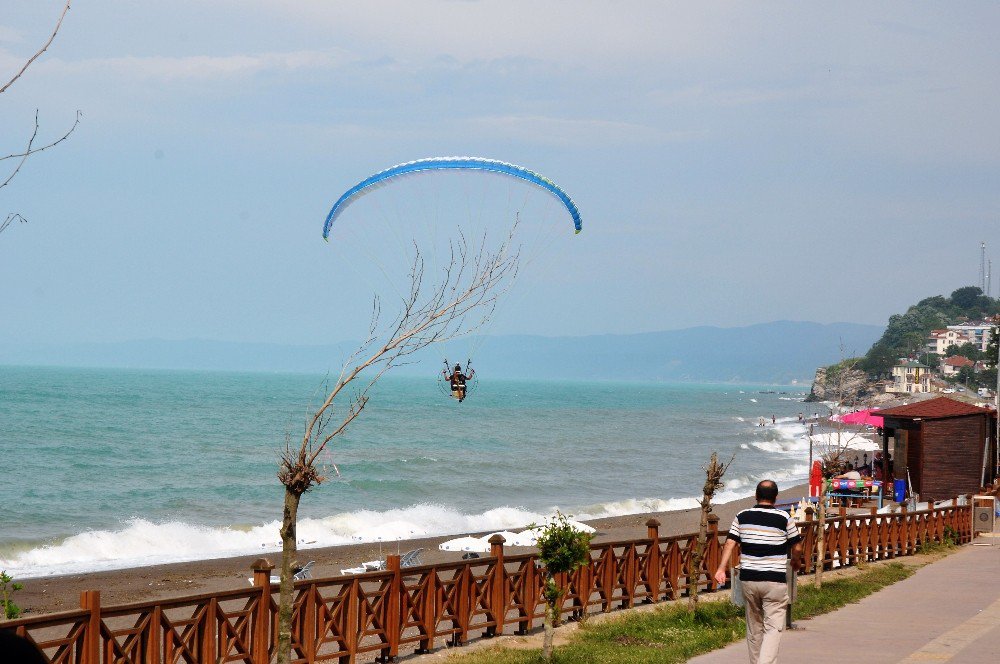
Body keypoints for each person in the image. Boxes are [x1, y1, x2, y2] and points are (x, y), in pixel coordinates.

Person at [714, 480, 802, 664]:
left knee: (754, 627)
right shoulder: (784, 518)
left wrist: (721, 568)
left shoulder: (742, 515)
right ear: (775, 498)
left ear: (756, 495)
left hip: (749, 579)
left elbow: (730, 543)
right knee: (773, 628)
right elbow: (798, 547)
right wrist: (795, 561)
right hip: (774, 580)